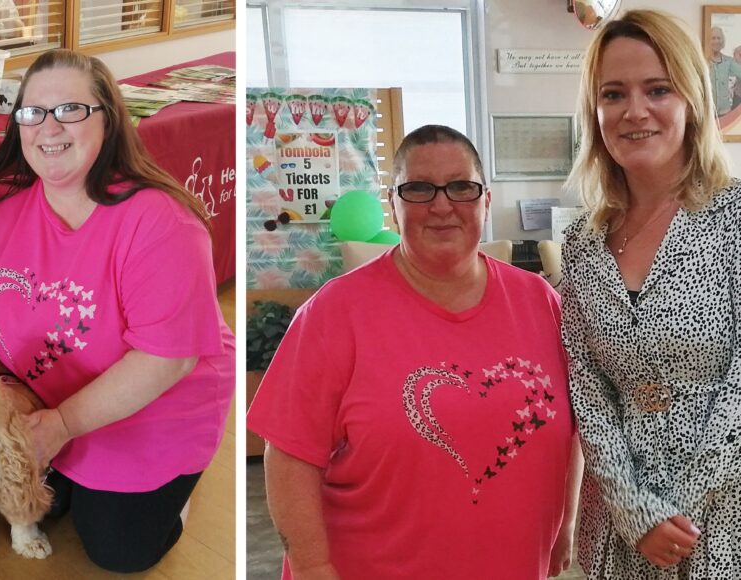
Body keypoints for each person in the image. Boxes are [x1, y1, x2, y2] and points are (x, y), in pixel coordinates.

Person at [0, 49, 234, 573]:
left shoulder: (161, 223)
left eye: (70, 110)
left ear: (108, 120)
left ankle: (179, 489)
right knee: (23, 505)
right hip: (42, 392)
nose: (48, 128)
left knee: (119, 552)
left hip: (153, 400)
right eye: (32, 113)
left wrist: (59, 426)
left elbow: (165, 362)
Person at [247, 124, 583, 579]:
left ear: (486, 200)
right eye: (419, 188)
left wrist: (564, 526)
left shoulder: (541, 303)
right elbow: (289, 455)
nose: (442, 205)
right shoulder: (334, 314)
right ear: (393, 204)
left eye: (461, 187)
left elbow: (576, 427)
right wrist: (312, 567)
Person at [563, 9, 741, 578]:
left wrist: (678, 509)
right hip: (618, 522)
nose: (634, 111)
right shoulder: (580, 244)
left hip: (723, 511)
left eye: (657, 89)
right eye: (613, 94)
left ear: (692, 100)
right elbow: (586, 388)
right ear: (596, 114)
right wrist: (636, 511)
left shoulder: (733, 216)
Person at [707, 25, 741, 116]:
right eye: (713, 38)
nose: (716, 41)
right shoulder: (702, 61)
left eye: (719, 38)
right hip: (707, 111)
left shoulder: (729, 61)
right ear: (708, 41)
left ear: (723, 41)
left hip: (725, 112)